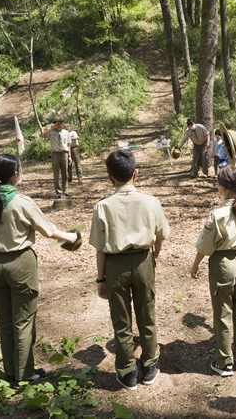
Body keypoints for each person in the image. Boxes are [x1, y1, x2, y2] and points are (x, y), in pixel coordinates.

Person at [0, 154, 77, 383]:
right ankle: (25, 373)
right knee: (23, 320)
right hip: (20, 263)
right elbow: (48, 231)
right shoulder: (21, 202)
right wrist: (71, 237)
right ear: (16, 175)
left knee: (5, 321)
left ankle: (10, 371)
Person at [89, 150, 170, 390]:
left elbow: (100, 248)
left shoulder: (102, 206)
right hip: (144, 259)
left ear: (109, 177)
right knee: (147, 313)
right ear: (136, 173)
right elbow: (161, 235)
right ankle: (150, 363)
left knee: (121, 318)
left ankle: (127, 371)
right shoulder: (150, 201)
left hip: (115, 265)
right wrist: (153, 256)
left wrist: (100, 278)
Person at [190, 166, 236, 377]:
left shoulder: (217, 215)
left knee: (223, 313)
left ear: (222, 187)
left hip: (224, 264)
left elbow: (205, 246)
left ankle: (225, 361)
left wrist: (195, 264)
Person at [41, 118, 71, 198]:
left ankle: (66, 190)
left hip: (64, 153)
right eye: (57, 123)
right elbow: (43, 135)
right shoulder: (52, 132)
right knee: (56, 174)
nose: (59, 124)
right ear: (54, 124)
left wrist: (70, 156)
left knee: (65, 173)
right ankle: (58, 191)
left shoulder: (66, 132)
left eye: (60, 123)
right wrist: (51, 128)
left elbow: (68, 145)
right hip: (55, 154)